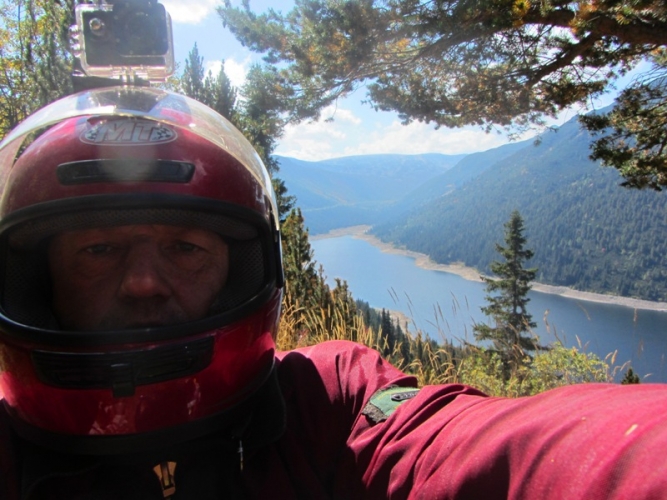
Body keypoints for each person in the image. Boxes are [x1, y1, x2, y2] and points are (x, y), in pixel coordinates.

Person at [0, 87, 666, 500]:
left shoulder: (329, 402)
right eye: (98, 250)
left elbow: (479, 448)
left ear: (244, 272)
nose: (144, 282)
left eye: (185, 248)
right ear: (34, 281)